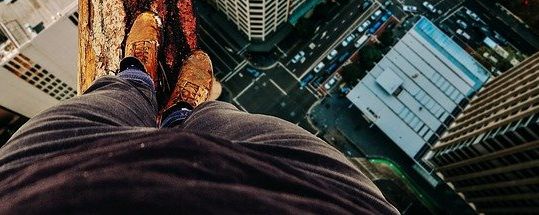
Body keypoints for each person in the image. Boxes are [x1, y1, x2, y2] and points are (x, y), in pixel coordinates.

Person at [0, 12, 398, 214]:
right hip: (323, 202)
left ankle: (137, 78)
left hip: (34, 189)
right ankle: (183, 115)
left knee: (96, 107)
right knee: (233, 123)